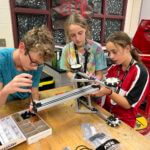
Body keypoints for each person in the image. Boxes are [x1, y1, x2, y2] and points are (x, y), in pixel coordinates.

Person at [92, 31, 149, 128]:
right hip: (106, 116)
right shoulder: (114, 68)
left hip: (124, 123)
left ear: (127, 48)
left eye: (114, 52)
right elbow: (102, 86)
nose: (111, 56)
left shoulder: (140, 72)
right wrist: (93, 87)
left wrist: (109, 92)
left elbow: (128, 104)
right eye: (109, 53)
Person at [0, 25, 54, 106]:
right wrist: (6, 90)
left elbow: (34, 90)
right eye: (34, 62)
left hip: (24, 104)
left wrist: (34, 104)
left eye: (39, 64)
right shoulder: (2, 59)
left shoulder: (37, 64)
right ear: (22, 47)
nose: (35, 68)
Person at [60, 13, 107, 80]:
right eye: (73, 35)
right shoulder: (66, 50)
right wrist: (75, 78)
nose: (77, 38)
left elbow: (99, 74)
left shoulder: (97, 48)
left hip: (94, 87)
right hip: (76, 87)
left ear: (85, 29)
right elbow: (68, 72)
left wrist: (94, 79)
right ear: (68, 35)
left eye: (80, 33)